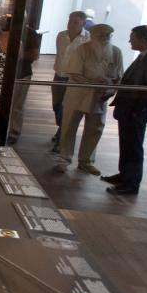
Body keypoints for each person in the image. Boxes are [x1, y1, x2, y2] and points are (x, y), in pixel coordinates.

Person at [54, 24, 123, 175]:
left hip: (100, 97)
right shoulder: (81, 50)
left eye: (108, 36)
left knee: (95, 128)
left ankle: (86, 161)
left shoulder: (116, 52)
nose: (105, 39)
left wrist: (110, 90)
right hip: (78, 94)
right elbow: (74, 74)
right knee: (69, 127)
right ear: (92, 36)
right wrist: (94, 84)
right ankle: (63, 159)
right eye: (101, 36)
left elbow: (118, 76)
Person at [102, 25, 147, 195]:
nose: (130, 40)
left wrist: (140, 110)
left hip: (137, 110)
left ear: (143, 40)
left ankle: (131, 183)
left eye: (133, 37)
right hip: (129, 109)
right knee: (126, 143)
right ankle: (125, 174)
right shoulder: (143, 57)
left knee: (133, 146)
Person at [51, 11, 89, 151]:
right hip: (59, 75)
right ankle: (61, 128)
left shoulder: (87, 39)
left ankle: (62, 139)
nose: (70, 24)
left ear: (83, 23)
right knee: (56, 105)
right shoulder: (61, 36)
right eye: (69, 20)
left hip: (73, 78)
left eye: (75, 22)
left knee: (67, 108)